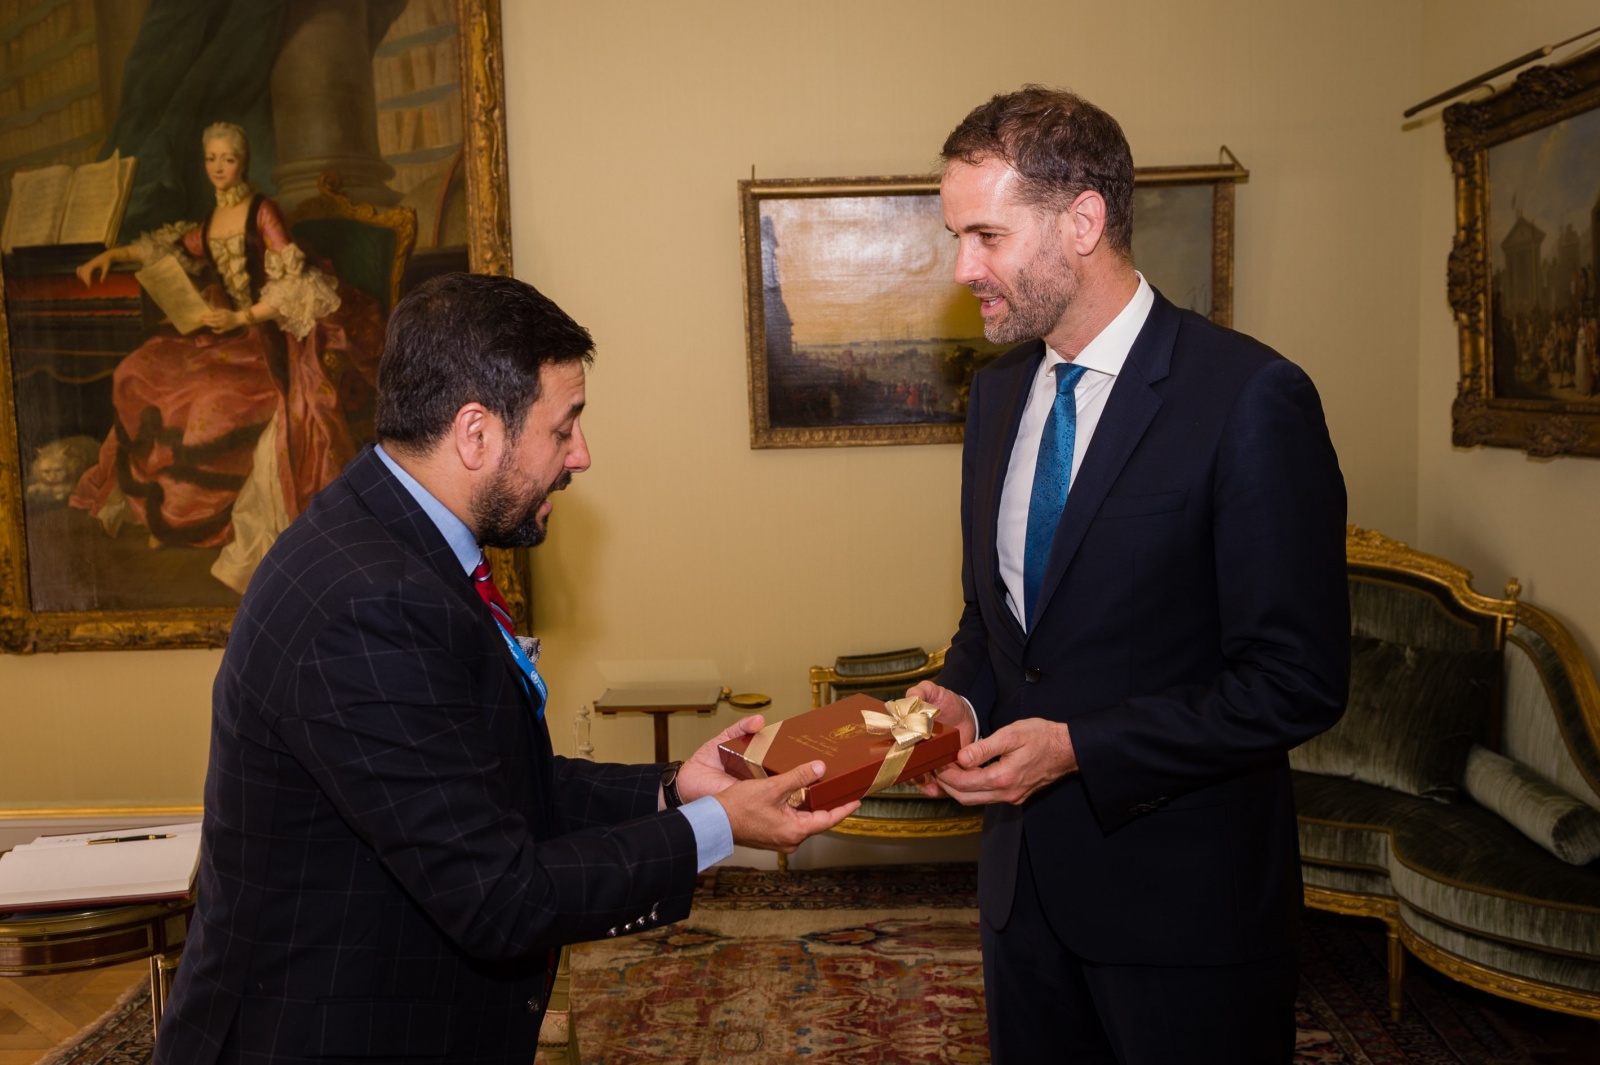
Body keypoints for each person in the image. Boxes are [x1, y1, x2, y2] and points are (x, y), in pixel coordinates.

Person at [150, 272, 857, 1065]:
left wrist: (672, 789)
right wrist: (719, 827)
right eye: (565, 428)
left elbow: (482, 784)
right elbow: (498, 896)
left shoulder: (393, 543)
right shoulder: (370, 601)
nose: (581, 456)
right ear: (476, 433)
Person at [908, 87, 1349, 1064]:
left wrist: (1079, 750)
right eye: (955, 236)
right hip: (1020, 904)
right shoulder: (994, 398)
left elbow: (1297, 681)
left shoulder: (1249, 399)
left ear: (1083, 221)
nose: (961, 268)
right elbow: (1000, 626)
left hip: (1184, 917)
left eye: (984, 235)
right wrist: (960, 705)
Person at [71, 121, 386, 592]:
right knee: (141, 371)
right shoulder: (213, 219)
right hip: (226, 330)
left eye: (228, 159)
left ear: (244, 162)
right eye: (211, 159)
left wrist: (242, 320)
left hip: (269, 333)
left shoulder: (264, 212)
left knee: (210, 397)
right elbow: (169, 248)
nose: (218, 168)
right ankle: (162, 514)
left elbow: (297, 282)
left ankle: (186, 518)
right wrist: (113, 255)